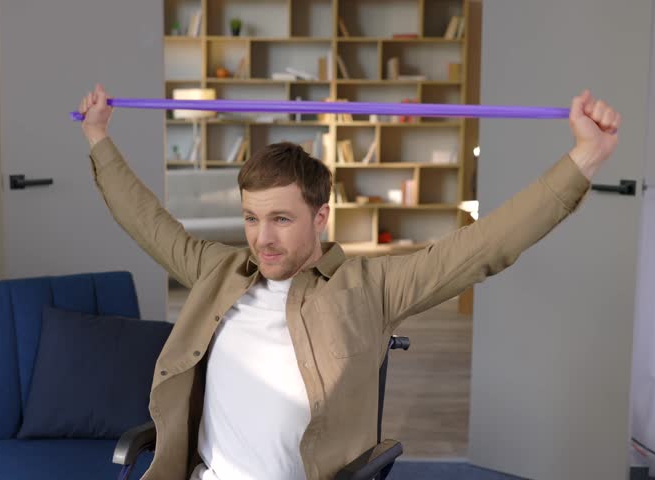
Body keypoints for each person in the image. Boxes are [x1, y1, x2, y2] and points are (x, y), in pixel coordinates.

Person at [76, 84, 620, 480]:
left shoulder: (369, 288)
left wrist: (584, 158)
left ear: (320, 218)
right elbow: (145, 220)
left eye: (281, 220)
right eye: (250, 218)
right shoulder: (217, 272)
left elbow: (485, 246)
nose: (261, 239)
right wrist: (98, 136)